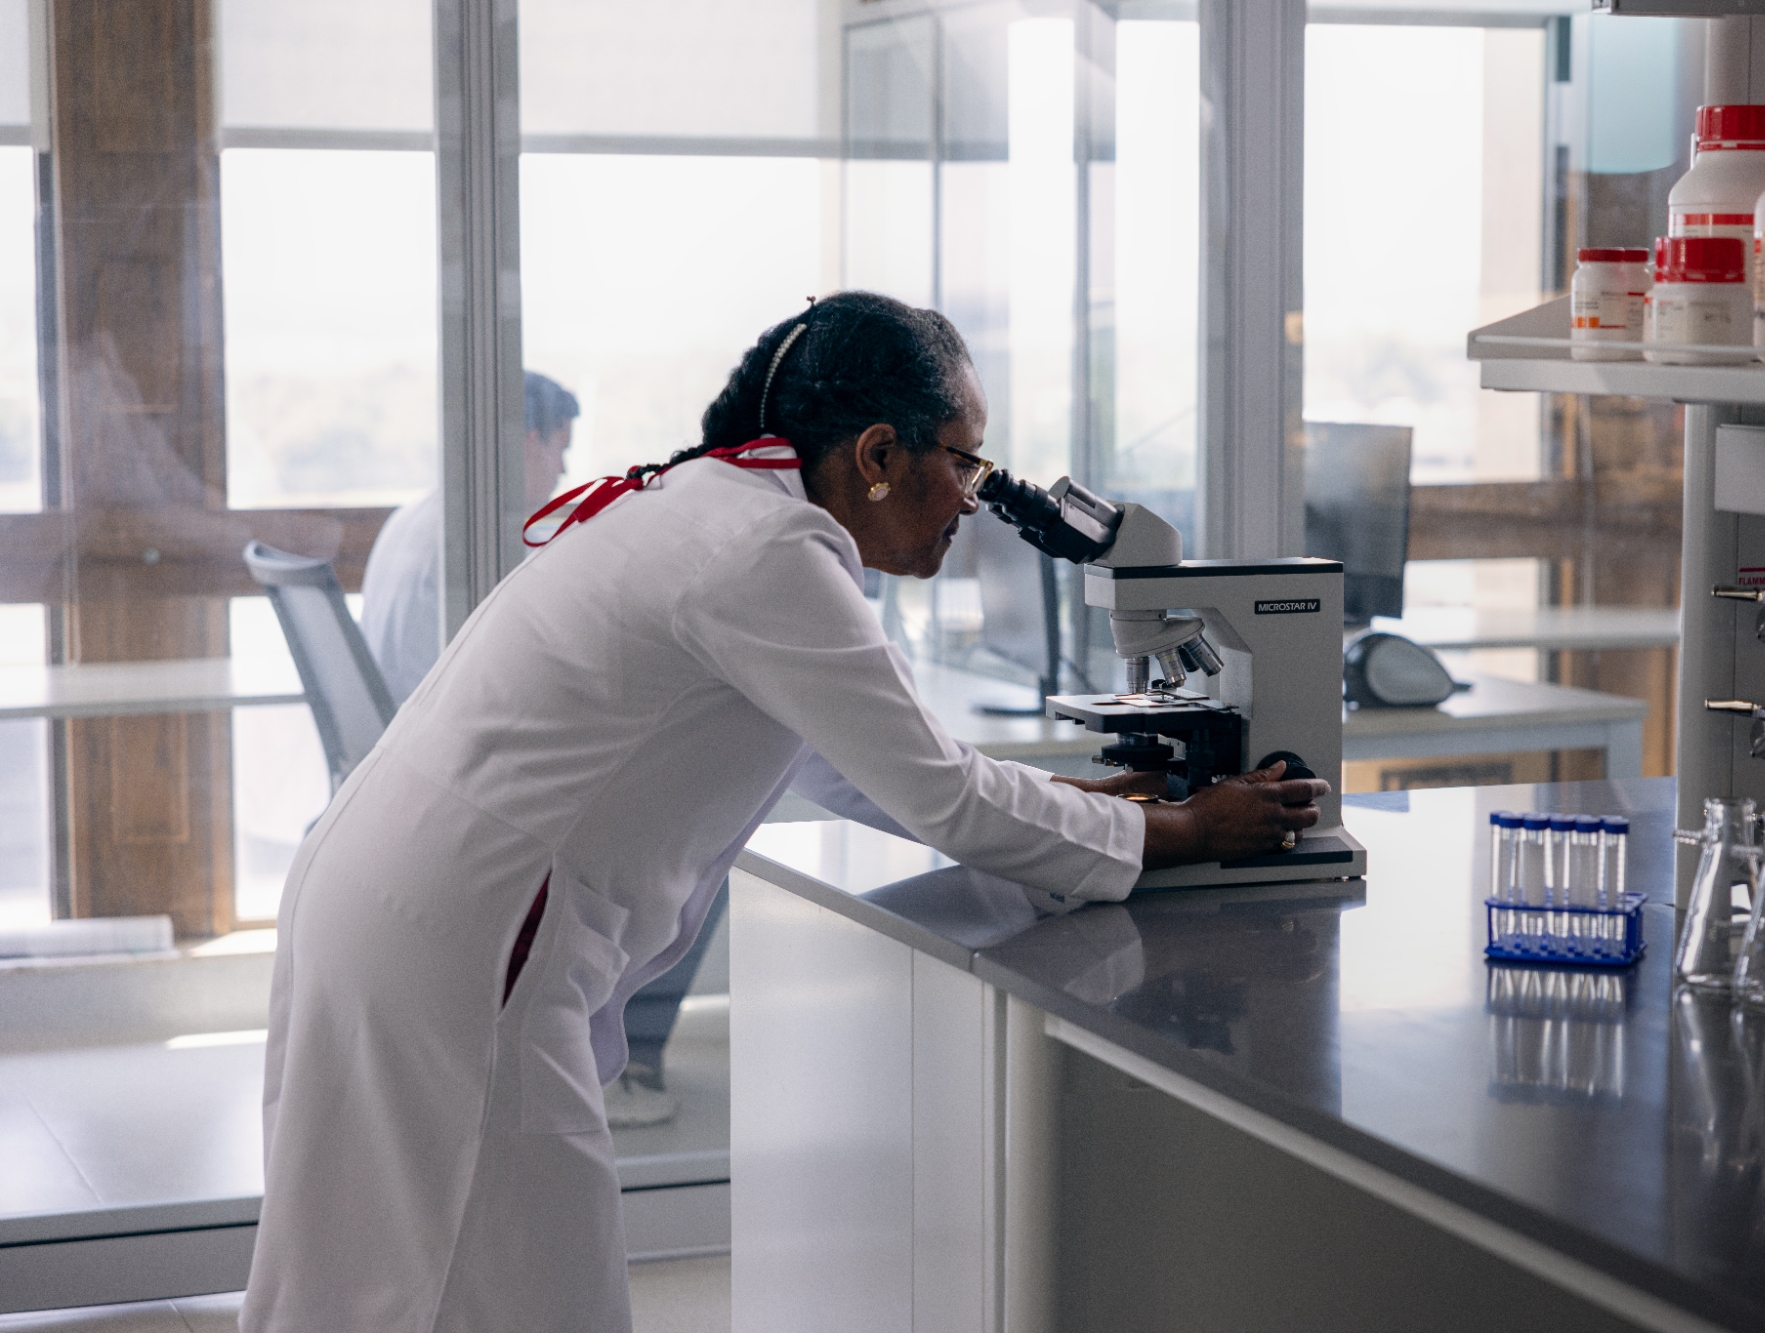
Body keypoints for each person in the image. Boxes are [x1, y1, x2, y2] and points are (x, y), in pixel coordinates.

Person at [243, 292, 1325, 1333]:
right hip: (466, 944)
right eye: (964, 462)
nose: (972, 500)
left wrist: (1076, 805)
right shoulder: (770, 550)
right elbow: (941, 792)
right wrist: (1186, 829)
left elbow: (853, 764)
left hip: (380, 898)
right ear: (876, 454)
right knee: (515, 1293)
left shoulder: (707, 507)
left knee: (360, 1282)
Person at [360, 371, 581, 704]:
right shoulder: (480, 539)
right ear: (528, 445)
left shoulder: (412, 518)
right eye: (560, 450)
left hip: (402, 723)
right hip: (439, 725)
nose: (562, 470)